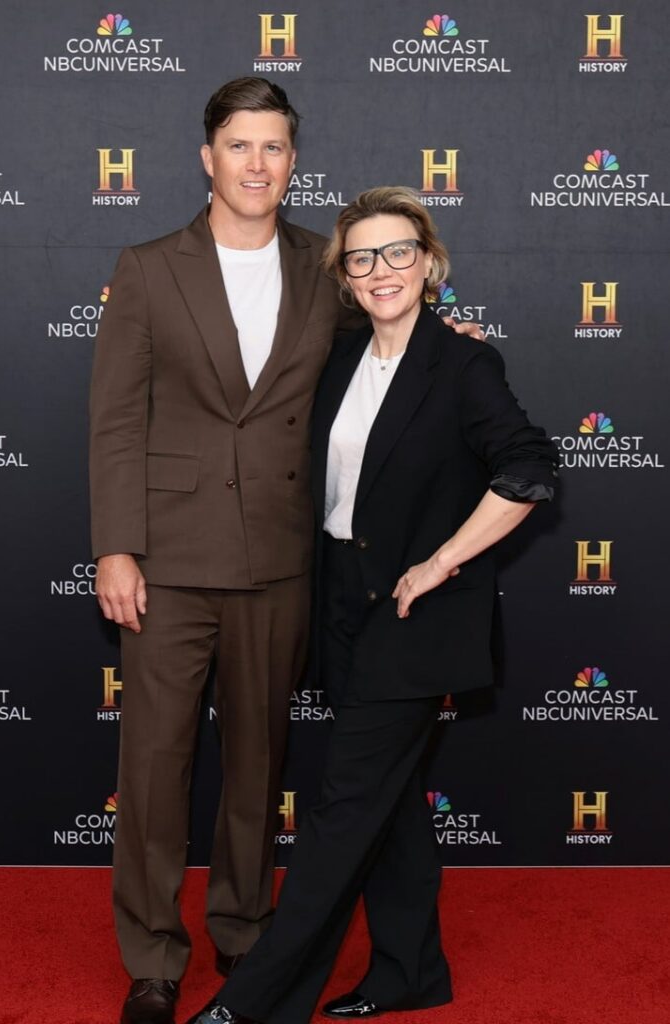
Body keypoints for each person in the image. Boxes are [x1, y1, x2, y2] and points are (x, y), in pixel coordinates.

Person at [90, 81, 482, 1024]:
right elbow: (116, 422)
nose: (256, 164)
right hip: (168, 562)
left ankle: (244, 932)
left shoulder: (325, 266)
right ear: (208, 157)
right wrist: (116, 549)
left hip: (282, 559)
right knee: (153, 770)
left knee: (260, 767)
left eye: (273, 147)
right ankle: (153, 957)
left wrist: (448, 344)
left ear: (293, 161)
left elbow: (390, 333)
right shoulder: (148, 268)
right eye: (239, 145)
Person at [186, 186, 559, 1024]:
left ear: (428, 263)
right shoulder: (342, 353)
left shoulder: (463, 362)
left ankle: (256, 1003)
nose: (380, 269)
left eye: (397, 252)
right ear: (346, 277)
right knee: (391, 803)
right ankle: (409, 972)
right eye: (361, 258)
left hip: (414, 619)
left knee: (343, 807)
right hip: (343, 606)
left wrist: (443, 561)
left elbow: (530, 469)